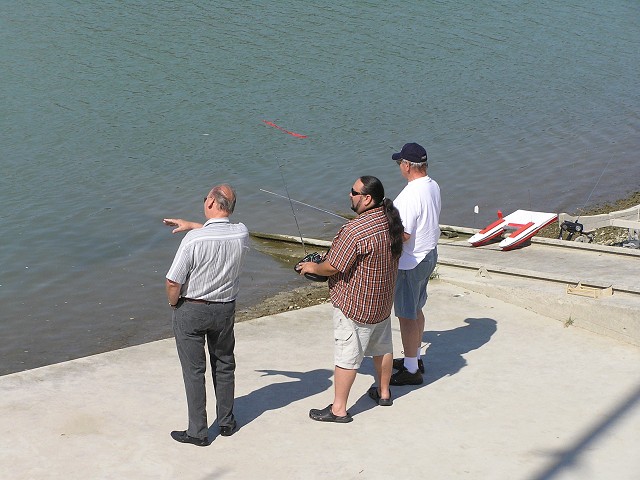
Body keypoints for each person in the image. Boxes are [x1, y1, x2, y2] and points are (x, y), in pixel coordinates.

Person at [297, 176, 404, 422]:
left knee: (347, 355)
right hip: (382, 302)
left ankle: (339, 410)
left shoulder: (354, 230)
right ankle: (385, 392)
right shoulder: (390, 222)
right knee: (383, 348)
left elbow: (333, 266)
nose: (350, 195)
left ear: (367, 198)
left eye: (354, 192)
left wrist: (312, 268)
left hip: (356, 305)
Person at [165, 184, 249, 446]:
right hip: (225, 309)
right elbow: (220, 233)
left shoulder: (192, 241)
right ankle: (226, 422)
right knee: (224, 364)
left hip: (192, 309)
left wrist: (173, 304)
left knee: (194, 371)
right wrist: (192, 224)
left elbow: (172, 282)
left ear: (212, 202)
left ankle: (198, 432)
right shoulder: (241, 233)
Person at [389, 143, 441, 386]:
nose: (400, 166)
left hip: (411, 262)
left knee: (406, 315)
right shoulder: (433, 185)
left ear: (408, 166)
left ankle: (411, 370)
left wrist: (383, 234)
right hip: (429, 254)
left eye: (400, 162)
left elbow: (405, 234)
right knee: (417, 308)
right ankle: (415, 357)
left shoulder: (410, 195)